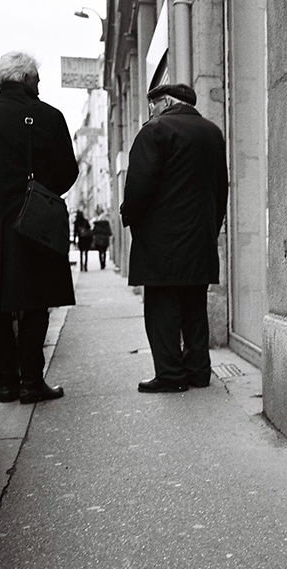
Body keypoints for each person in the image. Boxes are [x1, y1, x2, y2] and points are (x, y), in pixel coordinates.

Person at [0, 51, 77, 404]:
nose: (39, 87)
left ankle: (5, 385)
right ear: (27, 79)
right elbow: (68, 172)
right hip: (35, 225)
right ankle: (31, 382)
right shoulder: (48, 116)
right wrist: (41, 194)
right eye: (38, 80)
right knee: (35, 304)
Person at [121, 83, 228, 393]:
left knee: (162, 310)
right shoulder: (212, 133)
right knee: (195, 308)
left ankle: (170, 375)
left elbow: (139, 186)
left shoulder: (156, 131)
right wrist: (211, 226)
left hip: (161, 243)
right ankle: (198, 372)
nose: (151, 111)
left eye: (153, 104)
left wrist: (129, 215)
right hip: (199, 239)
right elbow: (221, 188)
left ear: (166, 101)